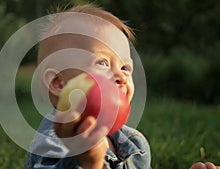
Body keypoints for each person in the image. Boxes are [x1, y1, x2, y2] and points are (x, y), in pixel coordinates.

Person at [24, 4, 219, 169]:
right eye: (102, 63)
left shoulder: (133, 141)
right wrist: (89, 162)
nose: (120, 75)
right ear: (59, 83)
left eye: (126, 67)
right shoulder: (53, 141)